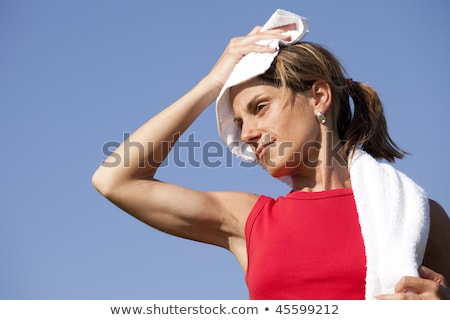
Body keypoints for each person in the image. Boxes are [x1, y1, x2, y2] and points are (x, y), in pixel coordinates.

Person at [92, 9, 450, 299]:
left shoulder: (416, 213)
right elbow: (114, 180)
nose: (246, 134)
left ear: (318, 97)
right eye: (238, 122)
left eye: (260, 107)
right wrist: (212, 83)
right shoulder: (247, 220)